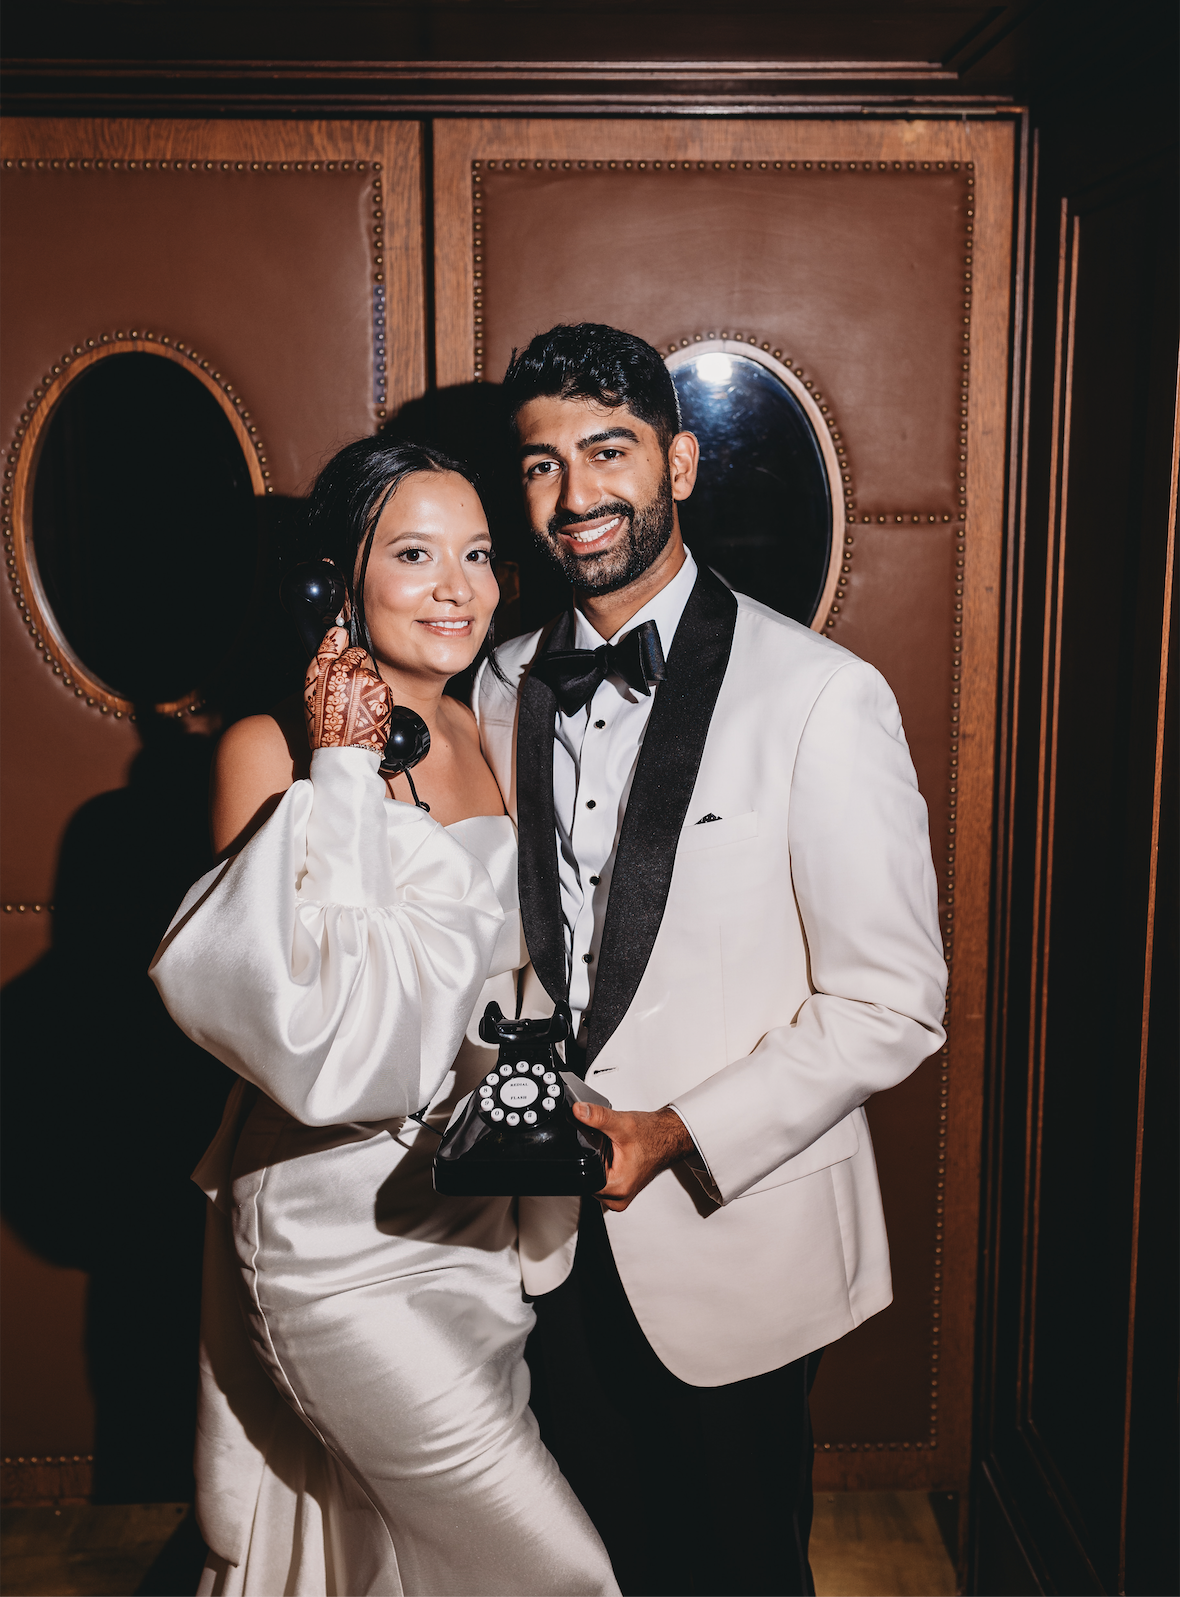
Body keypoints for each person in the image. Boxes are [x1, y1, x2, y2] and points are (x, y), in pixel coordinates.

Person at [472, 325, 949, 1597]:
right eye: (539, 464)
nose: (575, 497)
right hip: (540, 1238)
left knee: (735, 1565)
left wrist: (675, 1127)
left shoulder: (820, 695)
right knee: (582, 1561)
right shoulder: (500, 683)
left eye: (609, 451)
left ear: (678, 461)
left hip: (734, 1229)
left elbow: (890, 1003)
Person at [151, 437, 618, 1597]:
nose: (457, 586)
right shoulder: (267, 750)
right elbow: (306, 1014)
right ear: (337, 581)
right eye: (414, 554)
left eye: (477, 554)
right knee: (550, 1566)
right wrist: (343, 771)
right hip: (332, 1230)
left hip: (475, 1222)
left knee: (397, 1554)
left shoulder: (492, 726)